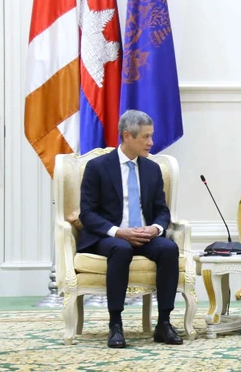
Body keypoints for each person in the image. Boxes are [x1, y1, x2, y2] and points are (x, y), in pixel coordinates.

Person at [78, 110, 183, 348]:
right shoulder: (97, 168)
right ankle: (116, 324)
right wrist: (118, 231)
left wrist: (155, 229)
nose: (151, 142)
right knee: (121, 249)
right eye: (145, 137)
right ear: (127, 136)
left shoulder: (152, 169)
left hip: (144, 235)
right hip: (111, 236)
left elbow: (162, 210)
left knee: (168, 248)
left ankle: (164, 324)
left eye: (151, 136)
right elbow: (87, 213)